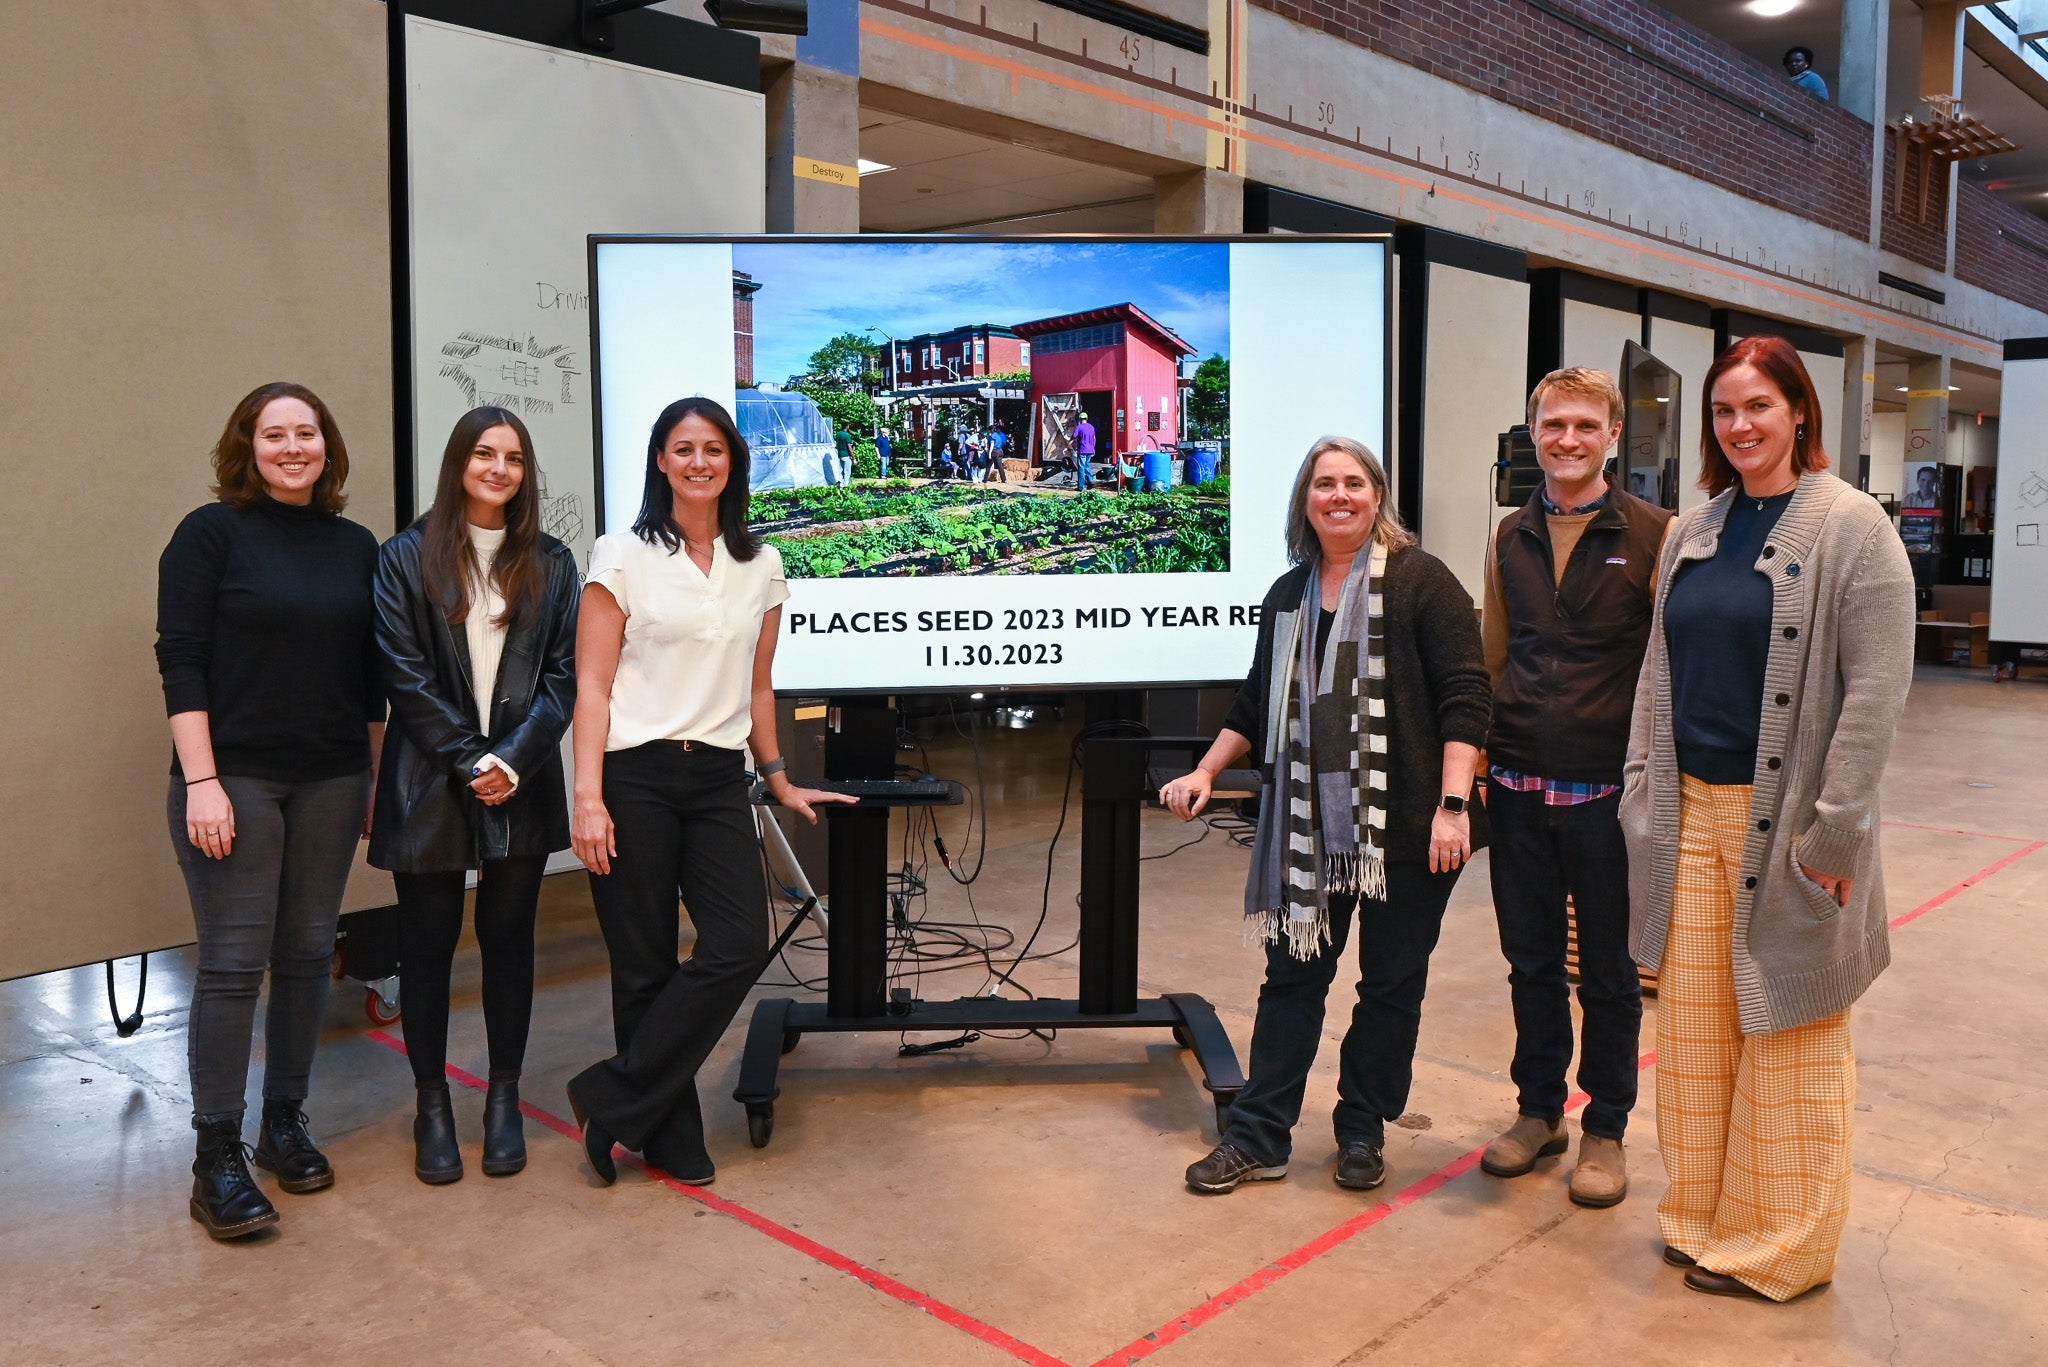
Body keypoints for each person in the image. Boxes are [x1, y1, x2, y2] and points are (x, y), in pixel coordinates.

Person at [1622, 335, 1913, 1300]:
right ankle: (1700, 1214)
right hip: (1690, 819)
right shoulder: (1692, 528)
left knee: (1790, 1034)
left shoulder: (1852, 527)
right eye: (1723, 410)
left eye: (1759, 406)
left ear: (1799, 412)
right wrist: (1640, 795)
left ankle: (1779, 1243)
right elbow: (1657, 679)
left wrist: (1834, 833)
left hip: (1785, 830)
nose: (1740, 426)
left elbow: (1874, 694)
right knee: (1699, 1036)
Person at [1162, 436, 1491, 1196]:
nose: (1338, 496)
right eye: (1323, 484)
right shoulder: (1288, 593)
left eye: (1353, 482)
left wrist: (1451, 806)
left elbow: (1466, 697)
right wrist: (1207, 769)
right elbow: (1255, 699)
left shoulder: (1420, 582)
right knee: (1291, 981)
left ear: (1377, 496)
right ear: (1304, 502)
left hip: (1409, 829)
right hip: (1305, 827)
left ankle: (1362, 1130)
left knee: (1389, 985)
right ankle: (1259, 1134)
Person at [567, 397, 854, 1185]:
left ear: (734, 462)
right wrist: (586, 797)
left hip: (716, 778)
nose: (700, 462)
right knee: (645, 961)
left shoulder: (759, 563)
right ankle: (667, 1126)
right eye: (683, 448)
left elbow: (759, 688)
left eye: (714, 449)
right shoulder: (620, 553)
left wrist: (778, 774)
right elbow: (590, 686)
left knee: (738, 942)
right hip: (635, 777)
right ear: (660, 460)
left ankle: (613, 1097)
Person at [155, 382, 383, 1239]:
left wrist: (372, 773)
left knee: (304, 954)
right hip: (235, 777)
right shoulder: (210, 534)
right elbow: (180, 660)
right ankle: (216, 1156)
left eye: (308, 433)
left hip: (330, 777)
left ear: (328, 447)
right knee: (231, 963)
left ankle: (282, 1122)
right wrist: (202, 780)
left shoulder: (355, 544)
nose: (293, 447)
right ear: (247, 446)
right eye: (275, 434)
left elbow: (371, 676)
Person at [370, 407, 581, 1184]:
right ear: (459, 462)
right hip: (429, 780)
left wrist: (514, 761)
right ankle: (431, 1105)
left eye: (515, 458)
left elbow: (565, 676)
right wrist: (470, 760)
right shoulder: (403, 558)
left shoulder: (555, 563)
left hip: (518, 783)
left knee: (508, 943)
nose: (499, 468)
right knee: (425, 951)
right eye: (485, 454)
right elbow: (403, 674)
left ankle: (502, 1100)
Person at [1478, 367, 1672, 1209]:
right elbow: (1492, 654)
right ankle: (1539, 1111)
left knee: (1609, 975)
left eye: (1585, 425)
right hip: (1517, 785)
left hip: (1606, 795)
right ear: (1533, 433)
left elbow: (1669, 672)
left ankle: (1607, 1129)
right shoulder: (1506, 535)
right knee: (1529, 965)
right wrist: (1478, 762)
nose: (1567, 439)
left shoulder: (1658, 535)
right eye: (1553, 424)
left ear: (1613, 436)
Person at [1073, 414, 1097, 490]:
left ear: (1080, 419)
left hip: (1082, 450)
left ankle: (1081, 486)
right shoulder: (1091, 427)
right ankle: (1090, 480)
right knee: (1087, 465)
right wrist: (1093, 448)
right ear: (1087, 418)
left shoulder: (1079, 427)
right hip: (1090, 450)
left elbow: (1074, 437)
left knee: (1081, 467)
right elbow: (1094, 438)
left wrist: (1067, 446)